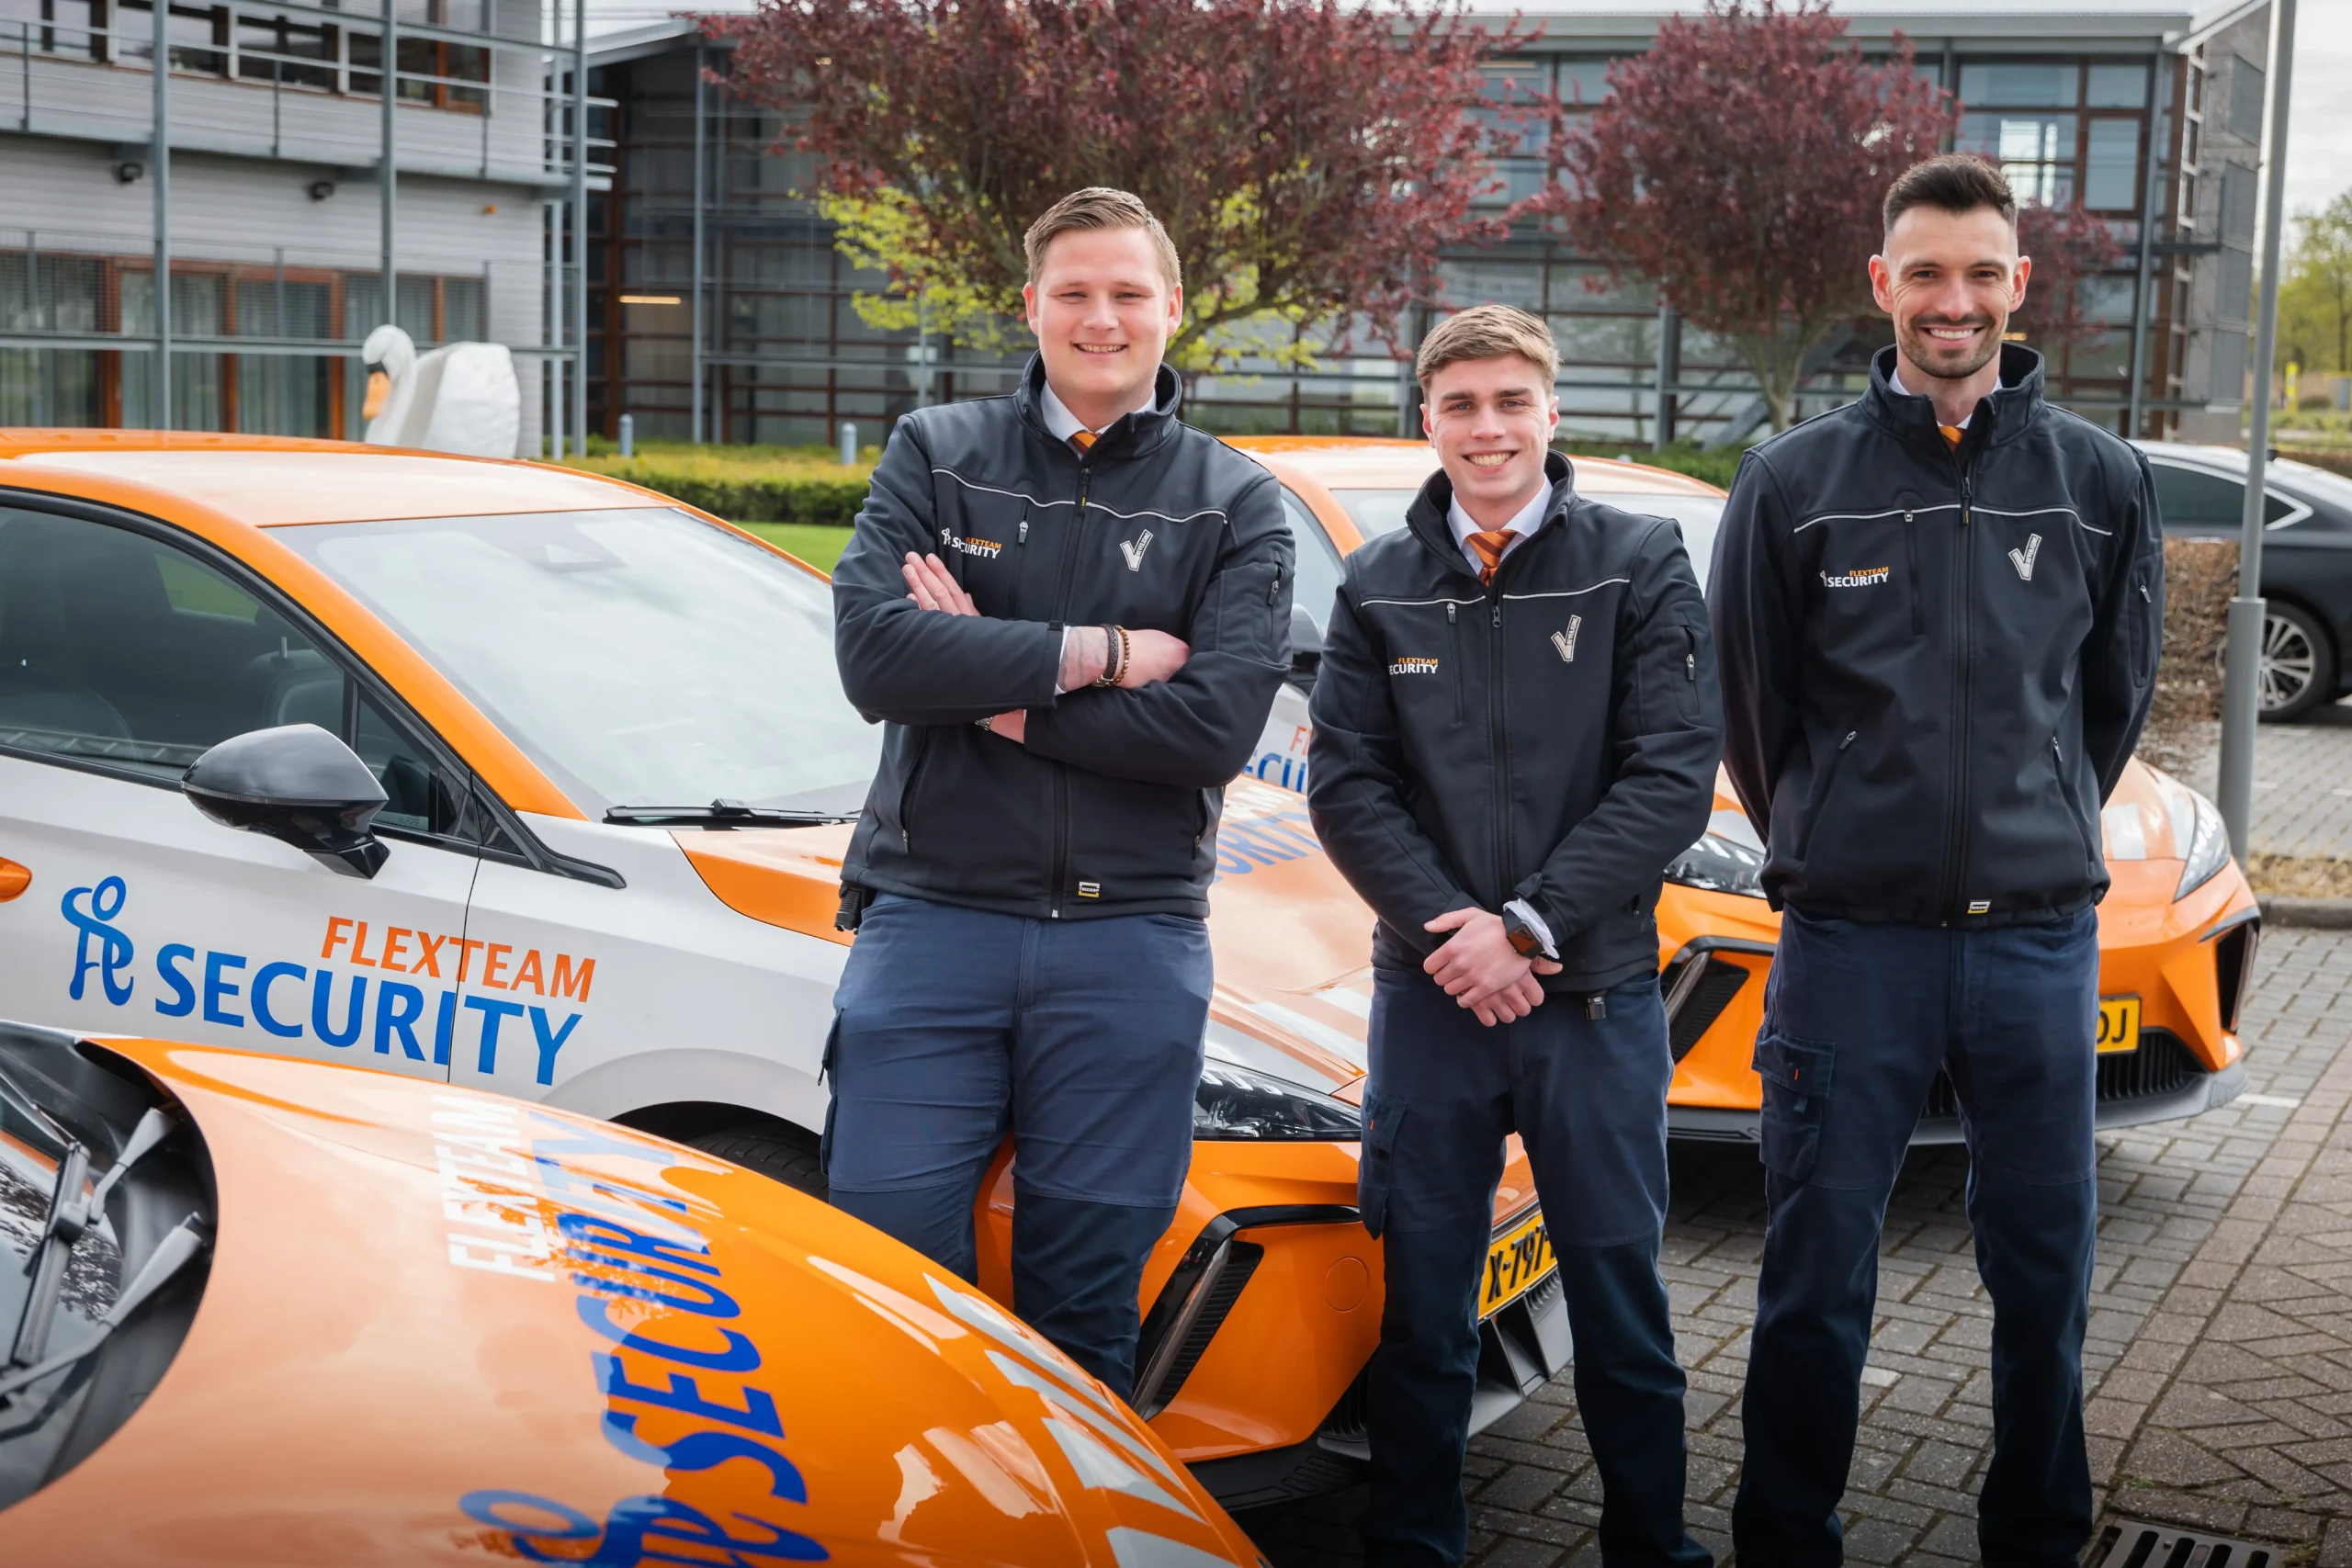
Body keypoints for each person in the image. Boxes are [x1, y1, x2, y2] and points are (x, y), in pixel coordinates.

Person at [1711, 154, 2165, 1566]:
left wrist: (2034, 820)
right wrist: (1843, 834)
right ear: (1882, 284)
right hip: (1853, 946)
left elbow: (2110, 706)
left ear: (2018, 284)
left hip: (2038, 944)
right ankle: (1788, 1536)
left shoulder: (2099, 481)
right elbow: (1754, 717)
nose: (1952, 300)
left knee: (2046, 1275)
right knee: (1812, 1278)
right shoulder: (1793, 484)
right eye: (1925, 273)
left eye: (1979, 273)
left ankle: (2037, 1535)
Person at [827, 187, 1294, 1397]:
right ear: (1031, 304)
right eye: (1074, 292)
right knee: (892, 1283)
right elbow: (876, 660)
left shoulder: (1237, 500)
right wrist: (1106, 651)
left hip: (1128, 938)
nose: (1101, 318)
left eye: (1128, 293)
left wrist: (985, 685)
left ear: (1172, 308)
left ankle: (1070, 1498)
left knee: (1085, 1305)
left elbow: (1209, 731)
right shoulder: (938, 452)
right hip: (932, 922)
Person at [1306, 304, 1721, 1568]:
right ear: (1427, 420)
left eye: (1509, 402)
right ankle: (1415, 1544)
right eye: (1460, 405)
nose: (1486, 428)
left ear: (1551, 412)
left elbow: (1671, 777)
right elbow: (1349, 788)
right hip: (1433, 1000)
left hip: (1592, 1000)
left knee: (1621, 1307)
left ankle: (1653, 1546)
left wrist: (1529, 925)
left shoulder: (1637, 560)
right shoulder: (1378, 581)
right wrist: (1458, 936)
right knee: (1424, 1310)